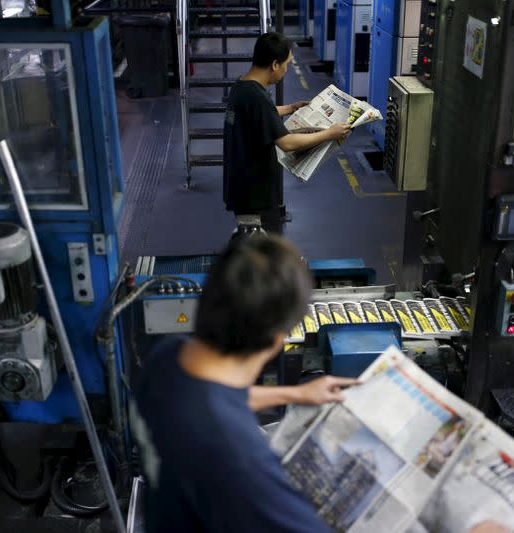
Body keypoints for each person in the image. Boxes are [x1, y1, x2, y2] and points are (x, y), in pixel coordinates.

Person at [130, 235, 356, 532]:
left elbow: (214, 399)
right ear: (277, 342)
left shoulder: (167, 358)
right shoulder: (237, 457)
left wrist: (295, 393)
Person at [223, 31, 351, 233]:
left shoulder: (242, 87)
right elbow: (287, 143)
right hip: (254, 196)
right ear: (274, 64)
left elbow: (260, 115)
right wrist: (330, 133)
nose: (286, 69)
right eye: (287, 64)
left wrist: (291, 108)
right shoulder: (257, 97)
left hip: (242, 189)